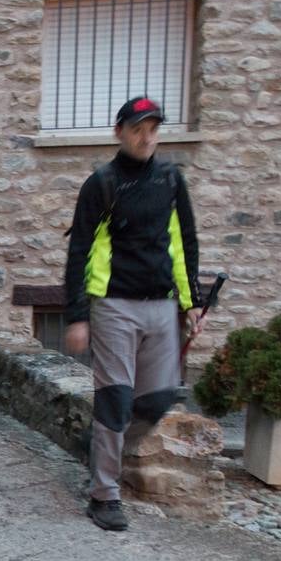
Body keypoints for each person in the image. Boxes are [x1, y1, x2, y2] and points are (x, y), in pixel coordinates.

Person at [64, 97, 202, 531]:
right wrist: (77, 315)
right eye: (138, 128)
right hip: (113, 306)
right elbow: (79, 251)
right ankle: (104, 494)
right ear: (119, 132)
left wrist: (191, 300)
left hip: (162, 305)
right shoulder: (101, 184)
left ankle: (104, 445)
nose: (146, 136)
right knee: (115, 399)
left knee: (157, 401)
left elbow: (184, 242)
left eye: (153, 129)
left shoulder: (171, 179)